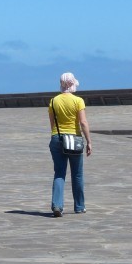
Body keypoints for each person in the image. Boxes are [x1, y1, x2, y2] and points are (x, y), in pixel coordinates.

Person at [48, 72, 92, 217]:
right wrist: (89, 141)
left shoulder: (53, 101)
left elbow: (52, 123)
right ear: (72, 84)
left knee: (59, 173)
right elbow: (83, 122)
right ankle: (79, 206)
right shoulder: (78, 101)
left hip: (57, 138)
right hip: (74, 139)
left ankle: (57, 205)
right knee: (77, 175)